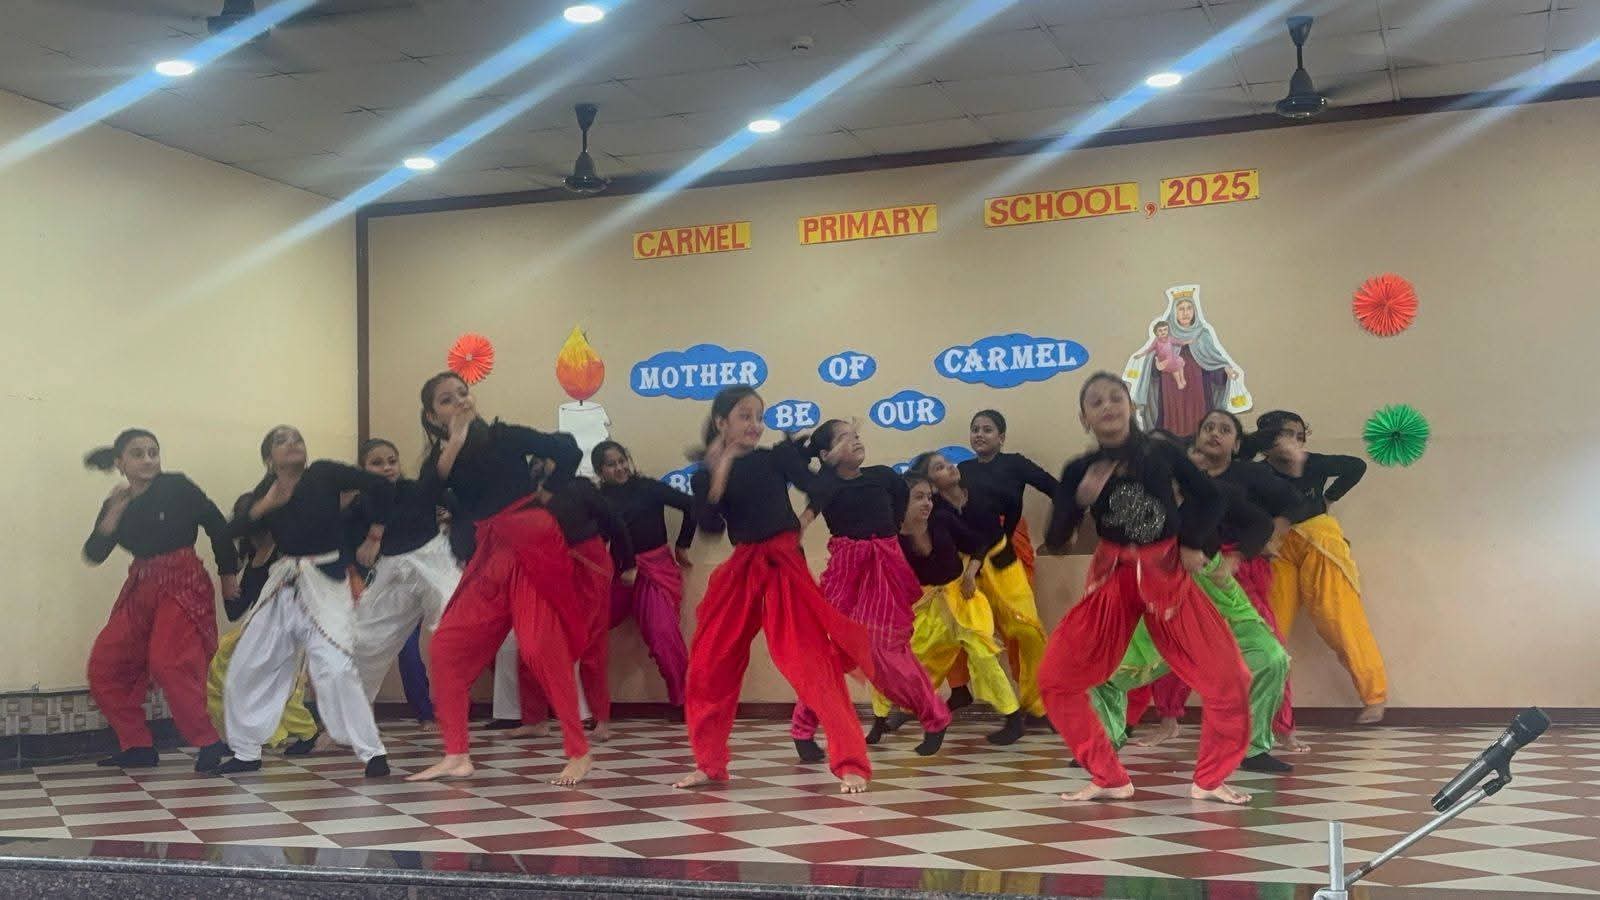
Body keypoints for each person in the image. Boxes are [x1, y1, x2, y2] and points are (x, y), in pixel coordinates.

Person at [1039, 373, 1251, 805]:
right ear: (1084, 417)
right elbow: (1056, 540)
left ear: (1131, 406)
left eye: (1115, 397)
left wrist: (1192, 543)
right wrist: (1077, 499)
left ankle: (1210, 779)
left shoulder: (1160, 452)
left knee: (1229, 676)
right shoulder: (1080, 469)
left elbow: (1210, 498)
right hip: (1113, 578)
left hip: (1166, 574)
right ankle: (1108, 776)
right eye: (1096, 402)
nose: (1107, 406)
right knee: (1054, 679)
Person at [674, 387, 875, 794]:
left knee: (810, 662)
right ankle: (709, 763)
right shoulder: (704, 474)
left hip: (784, 564)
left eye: (759, 417)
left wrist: (828, 468)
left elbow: (818, 488)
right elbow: (710, 527)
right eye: (745, 416)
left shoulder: (775, 458)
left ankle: (851, 762)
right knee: (708, 665)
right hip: (743, 567)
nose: (755, 425)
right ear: (721, 422)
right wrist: (720, 472)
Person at [403, 372, 592, 785]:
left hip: (531, 539)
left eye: (462, 393)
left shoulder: (503, 435)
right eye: (446, 400)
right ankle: (457, 755)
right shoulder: (443, 459)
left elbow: (567, 449)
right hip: (491, 551)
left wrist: (549, 490)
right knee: (447, 646)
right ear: (432, 416)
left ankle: (578, 751)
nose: (459, 401)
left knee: (540, 646)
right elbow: (425, 497)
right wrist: (455, 439)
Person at [1087, 428, 1294, 774]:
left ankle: (1253, 748)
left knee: (1270, 658)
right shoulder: (1129, 498)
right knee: (1105, 670)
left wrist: (1235, 557)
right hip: (1155, 594)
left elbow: (1259, 523)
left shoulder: (1214, 492)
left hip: (1213, 591)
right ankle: (1104, 743)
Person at [216, 426, 393, 777]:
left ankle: (372, 752)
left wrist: (374, 535)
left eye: (296, 438)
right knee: (246, 666)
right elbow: (229, 532)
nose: (292, 443)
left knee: (336, 666)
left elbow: (383, 487)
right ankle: (246, 752)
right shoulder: (266, 491)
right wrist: (266, 505)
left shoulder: (324, 473)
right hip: (284, 585)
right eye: (281, 441)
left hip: (325, 582)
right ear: (269, 458)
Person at [1143, 410, 1312, 753]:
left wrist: (1256, 545)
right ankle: (1168, 721)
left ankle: (1282, 728)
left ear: (1236, 445)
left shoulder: (1249, 474)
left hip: (1235, 573)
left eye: (1224, 429)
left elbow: (1295, 504)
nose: (1214, 434)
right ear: (1196, 438)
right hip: (1185, 573)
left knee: (1269, 649)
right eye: (1208, 428)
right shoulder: (1181, 476)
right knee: (1173, 643)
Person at [790, 420, 948, 757]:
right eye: (843, 438)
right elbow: (805, 517)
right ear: (826, 454)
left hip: (884, 567)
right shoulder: (826, 485)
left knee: (887, 649)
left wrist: (896, 535)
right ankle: (803, 730)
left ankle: (934, 717)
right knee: (829, 651)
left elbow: (900, 506)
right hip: (846, 571)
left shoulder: (884, 476)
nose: (855, 440)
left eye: (856, 435)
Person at [82, 429, 236, 772]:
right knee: (105, 664)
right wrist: (113, 514)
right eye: (138, 454)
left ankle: (208, 740)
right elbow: (93, 553)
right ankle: (136, 744)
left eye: (153, 452)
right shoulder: (117, 503)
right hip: (142, 585)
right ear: (121, 462)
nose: (148, 459)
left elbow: (217, 525)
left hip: (182, 582)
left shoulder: (176, 486)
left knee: (169, 661)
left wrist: (229, 575)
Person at [1251, 409, 1387, 725]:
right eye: (1287, 435)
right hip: (1278, 550)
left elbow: (1356, 466)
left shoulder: (1313, 463)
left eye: (1300, 436)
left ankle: (1375, 696)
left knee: (1338, 616)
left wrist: (1329, 498)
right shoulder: (1255, 473)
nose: (1296, 442)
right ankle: (1264, 706)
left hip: (1320, 543)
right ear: (1267, 441)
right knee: (1269, 626)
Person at [911, 450, 1048, 729]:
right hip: (963, 570)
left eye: (948, 463)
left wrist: (996, 548)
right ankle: (915, 700)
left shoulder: (978, 490)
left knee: (1028, 630)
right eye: (939, 467)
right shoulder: (935, 510)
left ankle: (1038, 705)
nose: (950, 467)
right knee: (951, 633)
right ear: (932, 485)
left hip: (999, 561)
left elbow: (995, 526)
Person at [943, 410, 1056, 720]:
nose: (980, 434)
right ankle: (960, 689)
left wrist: (1065, 525)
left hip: (1009, 547)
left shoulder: (1015, 464)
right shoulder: (963, 470)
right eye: (975, 429)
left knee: (1022, 626)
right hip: (970, 551)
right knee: (959, 621)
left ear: (1001, 437)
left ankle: (1035, 701)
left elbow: (1055, 489)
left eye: (987, 429)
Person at [897, 472, 1024, 745]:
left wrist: (970, 574)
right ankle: (907, 711)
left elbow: (978, 543)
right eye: (918, 497)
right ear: (901, 502)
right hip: (929, 606)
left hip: (963, 599)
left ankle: (1013, 718)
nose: (927, 503)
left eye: (929, 497)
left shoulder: (942, 520)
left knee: (984, 656)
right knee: (918, 660)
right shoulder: (894, 538)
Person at [347, 438, 460, 722]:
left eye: (392, 461)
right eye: (377, 463)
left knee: (451, 623)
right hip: (392, 570)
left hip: (433, 561)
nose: (387, 467)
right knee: (364, 639)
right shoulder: (361, 504)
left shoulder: (415, 490)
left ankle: (450, 704)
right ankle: (353, 720)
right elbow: (348, 543)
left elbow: (453, 496)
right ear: (362, 469)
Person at [595, 440, 694, 718]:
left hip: (655, 571)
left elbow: (692, 506)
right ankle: (580, 705)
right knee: (584, 627)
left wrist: (682, 546)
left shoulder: (648, 488)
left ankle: (685, 702)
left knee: (664, 635)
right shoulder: (598, 500)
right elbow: (594, 539)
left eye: (622, 461)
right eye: (611, 465)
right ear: (600, 471)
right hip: (620, 575)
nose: (620, 468)